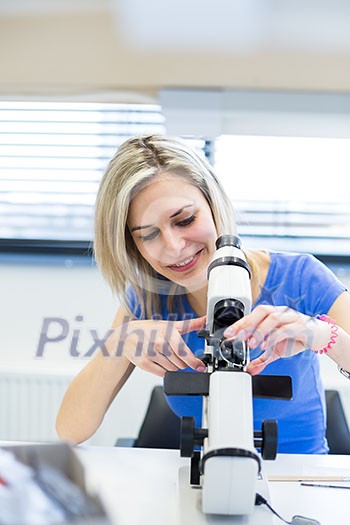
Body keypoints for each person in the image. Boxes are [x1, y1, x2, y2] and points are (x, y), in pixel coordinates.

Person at [56, 135, 350, 453]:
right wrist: (119, 342)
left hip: (299, 478)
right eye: (149, 235)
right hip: (204, 475)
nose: (174, 248)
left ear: (213, 204)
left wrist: (324, 336)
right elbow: (69, 431)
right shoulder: (149, 297)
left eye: (185, 220)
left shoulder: (300, 279)